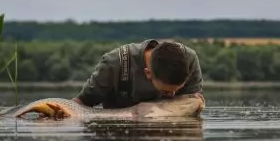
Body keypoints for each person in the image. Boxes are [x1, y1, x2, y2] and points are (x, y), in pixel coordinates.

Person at [72, 39, 205, 114]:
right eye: (165, 92)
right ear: (147, 73)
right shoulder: (114, 64)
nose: (172, 95)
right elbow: (82, 103)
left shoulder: (190, 59)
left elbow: (193, 101)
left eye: (177, 89)